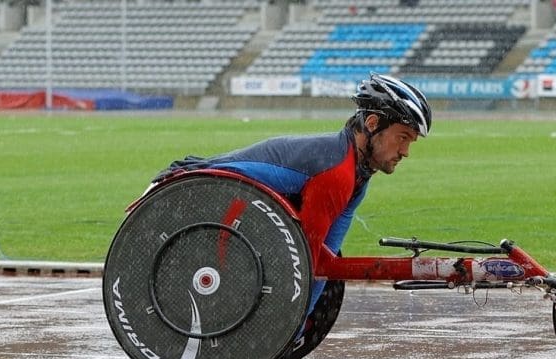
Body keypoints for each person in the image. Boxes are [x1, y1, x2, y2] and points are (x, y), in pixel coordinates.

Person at [151, 73, 432, 320]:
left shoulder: (357, 175)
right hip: (190, 197)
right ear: (372, 123)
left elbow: (323, 262)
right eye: (402, 137)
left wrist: (294, 332)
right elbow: (303, 266)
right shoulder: (337, 171)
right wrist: (283, 333)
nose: (405, 152)